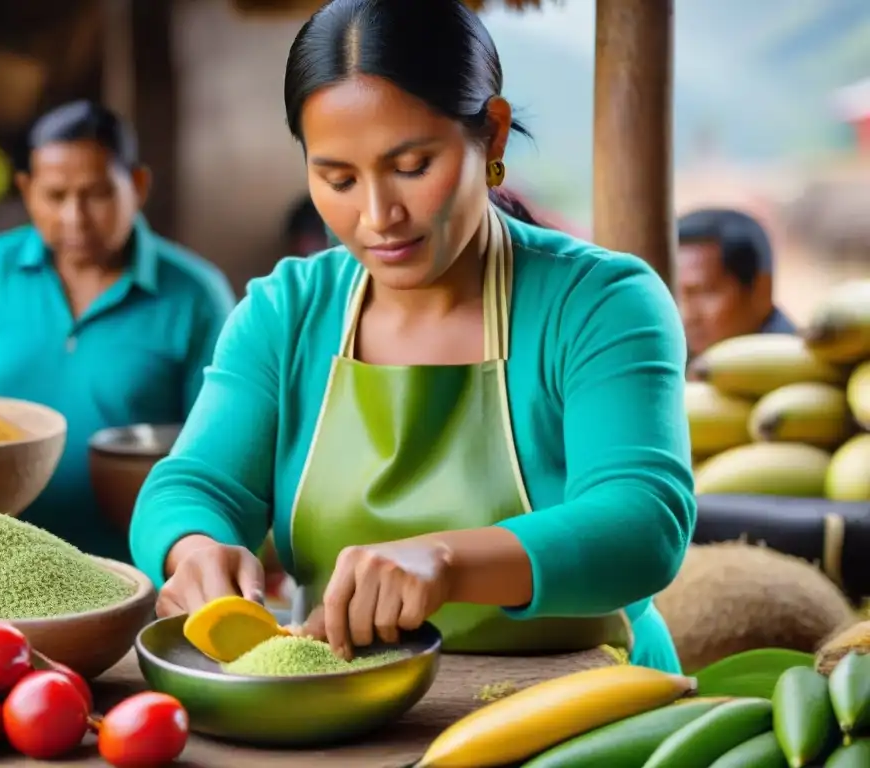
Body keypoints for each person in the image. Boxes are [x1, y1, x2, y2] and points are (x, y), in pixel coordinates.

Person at [130, 0, 695, 672]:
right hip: (351, 706)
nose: (377, 216)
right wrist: (193, 548)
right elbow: (192, 486)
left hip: (592, 698)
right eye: (337, 178)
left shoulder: (600, 302)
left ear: (493, 134)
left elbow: (643, 522)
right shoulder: (286, 312)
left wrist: (448, 561)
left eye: (412, 166)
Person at [0, 100, 237, 561]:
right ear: (27, 191)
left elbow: (220, 440)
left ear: (137, 185)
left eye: (96, 194)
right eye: (55, 197)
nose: (75, 217)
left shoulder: (194, 295)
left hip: (134, 561)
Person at [677, 207, 796, 358]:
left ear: (761, 291)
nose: (686, 316)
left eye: (704, 292)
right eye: (673, 294)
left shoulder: (804, 372)